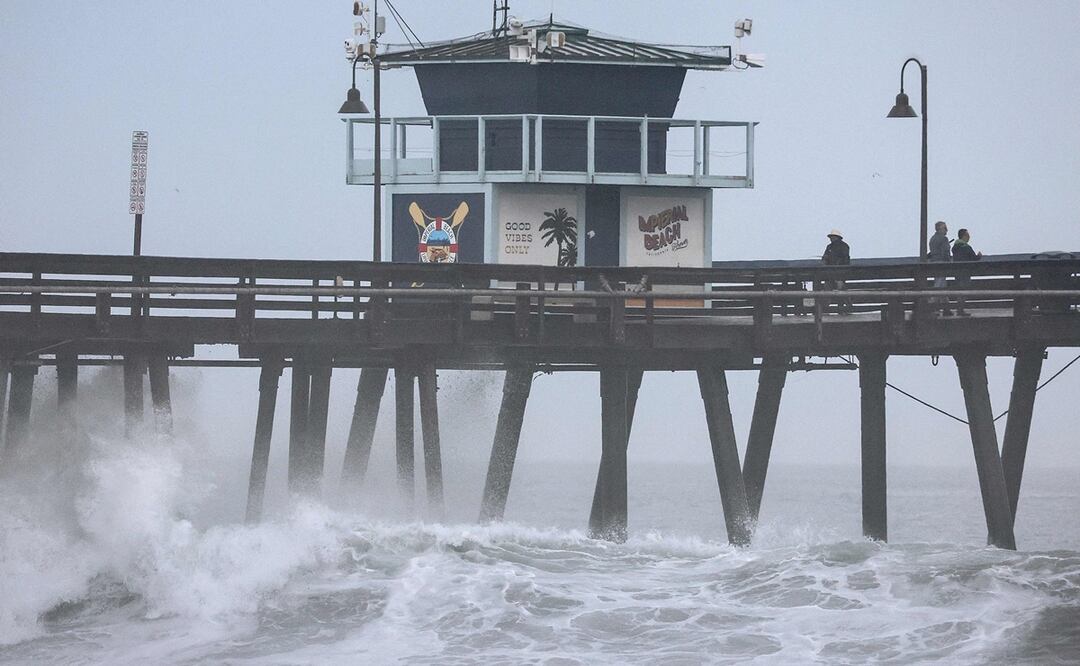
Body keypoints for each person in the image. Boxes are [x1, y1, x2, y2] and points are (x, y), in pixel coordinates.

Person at [951, 228, 982, 317]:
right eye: (968, 235)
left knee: (959, 291)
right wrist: (979, 256)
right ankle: (961, 310)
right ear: (964, 236)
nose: (969, 237)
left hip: (957, 272)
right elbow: (974, 258)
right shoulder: (966, 247)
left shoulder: (955, 247)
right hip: (965, 272)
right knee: (964, 291)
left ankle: (959, 309)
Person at [821, 229, 851, 314]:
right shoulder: (829, 247)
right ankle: (826, 310)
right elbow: (824, 258)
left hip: (840, 274)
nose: (831, 238)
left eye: (833, 237)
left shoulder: (844, 246)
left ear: (837, 237)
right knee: (827, 290)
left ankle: (845, 309)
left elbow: (845, 260)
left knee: (840, 289)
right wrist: (824, 260)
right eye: (831, 237)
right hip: (830, 275)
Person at [928, 220, 952, 315]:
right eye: (945, 228)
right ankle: (933, 307)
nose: (947, 230)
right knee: (939, 285)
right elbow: (946, 252)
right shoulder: (944, 239)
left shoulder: (932, 239)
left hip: (934, 263)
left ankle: (946, 309)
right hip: (942, 263)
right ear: (939, 229)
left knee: (942, 284)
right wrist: (949, 262)